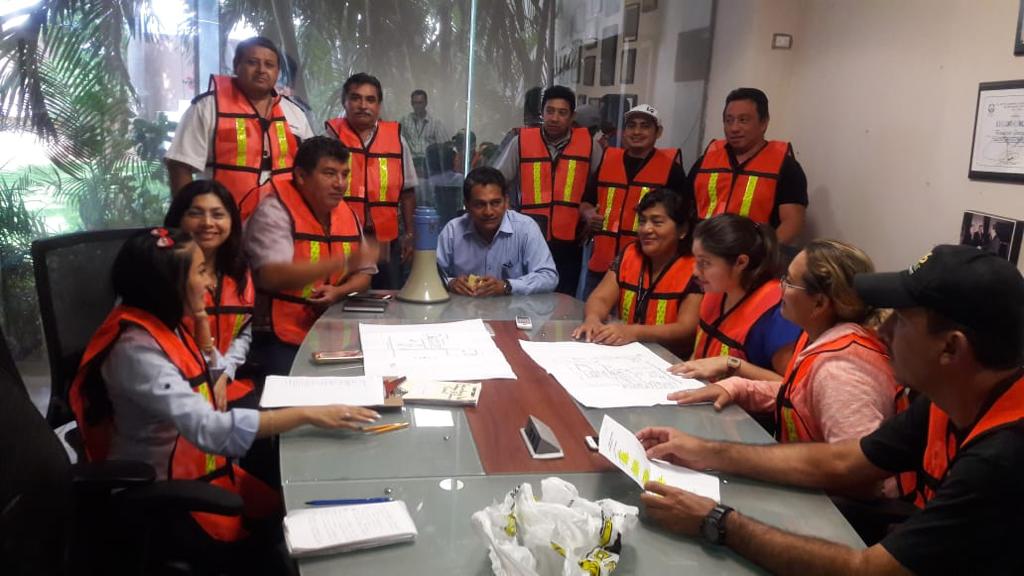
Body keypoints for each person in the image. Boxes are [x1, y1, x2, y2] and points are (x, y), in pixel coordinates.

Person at [636, 244, 1024, 575]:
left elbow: (868, 570)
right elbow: (844, 460)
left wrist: (716, 521)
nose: (883, 331)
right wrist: (706, 452)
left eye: (902, 321)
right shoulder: (947, 399)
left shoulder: (1002, 459)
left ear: (951, 348)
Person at [69, 228, 379, 549]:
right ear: (168, 283)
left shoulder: (166, 326)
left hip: (203, 471)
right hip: (165, 496)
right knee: (288, 537)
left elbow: (209, 371)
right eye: (201, 272)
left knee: (286, 507)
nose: (211, 282)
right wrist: (306, 415)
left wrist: (201, 322)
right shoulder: (137, 352)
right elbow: (210, 429)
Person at [670, 239, 901, 450]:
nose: (780, 289)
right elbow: (800, 397)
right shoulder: (817, 335)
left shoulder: (840, 372)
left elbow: (854, 467)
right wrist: (737, 387)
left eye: (789, 282)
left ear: (819, 304)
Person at [244, 136, 377, 377]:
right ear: (301, 176)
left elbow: (365, 274)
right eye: (329, 174)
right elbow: (271, 276)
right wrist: (342, 262)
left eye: (345, 174)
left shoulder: (346, 213)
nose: (340, 184)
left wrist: (339, 291)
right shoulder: (274, 212)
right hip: (277, 335)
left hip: (333, 329)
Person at [165, 37, 314, 221]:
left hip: (282, 222)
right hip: (221, 223)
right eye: (252, 62)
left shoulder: (295, 113)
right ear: (236, 66)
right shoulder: (208, 107)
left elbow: (312, 168)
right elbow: (180, 165)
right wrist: (187, 217)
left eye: (269, 65)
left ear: (277, 72)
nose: (261, 70)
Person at [491, 85, 604, 295]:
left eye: (562, 113)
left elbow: (603, 187)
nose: (554, 118)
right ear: (542, 113)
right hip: (527, 237)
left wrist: (591, 213)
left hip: (570, 242)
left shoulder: (590, 146)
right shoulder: (521, 142)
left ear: (572, 117)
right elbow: (495, 181)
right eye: (550, 111)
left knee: (563, 299)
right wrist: (505, 210)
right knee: (524, 296)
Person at [673, 214, 800, 382]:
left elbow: (790, 387)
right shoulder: (716, 289)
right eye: (696, 261)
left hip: (742, 399)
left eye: (705, 263)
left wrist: (733, 364)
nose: (695, 271)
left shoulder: (777, 314)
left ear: (740, 262)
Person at [572, 188, 701, 353]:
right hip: (629, 352)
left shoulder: (695, 267)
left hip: (672, 358)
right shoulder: (630, 253)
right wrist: (593, 319)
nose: (646, 229)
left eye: (657, 222)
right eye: (642, 221)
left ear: (682, 230)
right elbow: (601, 298)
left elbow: (686, 328)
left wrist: (634, 332)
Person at [164, 180, 255, 408]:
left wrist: (224, 374)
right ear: (178, 219)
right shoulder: (160, 271)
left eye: (218, 214)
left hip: (224, 381)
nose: (207, 223)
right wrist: (211, 376)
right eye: (196, 214)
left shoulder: (239, 272)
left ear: (231, 221)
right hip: (174, 387)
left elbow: (242, 334)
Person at [583, 104, 688, 298]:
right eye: (631, 126)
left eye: (645, 126)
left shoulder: (671, 170)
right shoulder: (607, 161)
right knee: (591, 313)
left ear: (658, 132)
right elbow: (586, 202)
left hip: (645, 267)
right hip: (602, 265)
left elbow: (681, 218)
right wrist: (588, 214)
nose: (637, 131)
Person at [324, 73, 418, 289]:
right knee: (342, 295)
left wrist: (410, 234)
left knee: (388, 297)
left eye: (370, 99)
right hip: (340, 236)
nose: (363, 105)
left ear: (379, 105)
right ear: (344, 102)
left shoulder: (396, 140)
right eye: (356, 98)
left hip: (385, 239)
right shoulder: (331, 138)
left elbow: (408, 192)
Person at [689, 87, 808, 246]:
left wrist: (764, 254)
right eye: (729, 120)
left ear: (763, 123)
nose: (734, 128)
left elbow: (792, 222)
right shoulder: (705, 162)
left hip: (753, 254)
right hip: (704, 251)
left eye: (743, 120)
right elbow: (684, 208)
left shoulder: (786, 167)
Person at [437, 166, 557, 296]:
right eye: (479, 204)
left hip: (514, 307)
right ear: (467, 205)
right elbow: (429, 274)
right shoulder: (453, 231)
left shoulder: (526, 228)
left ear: (506, 202)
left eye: (495, 203)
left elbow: (548, 277)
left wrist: (507, 286)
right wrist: (450, 283)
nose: (488, 212)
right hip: (464, 307)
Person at [400, 89, 450, 178]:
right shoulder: (405, 120)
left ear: (426, 103)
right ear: (411, 103)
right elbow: (398, 142)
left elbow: (445, 146)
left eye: (420, 103)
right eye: (415, 103)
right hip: (410, 162)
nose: (417, 106)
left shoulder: (435, 122)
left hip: (429, 163)